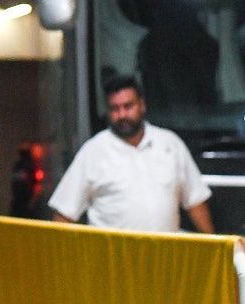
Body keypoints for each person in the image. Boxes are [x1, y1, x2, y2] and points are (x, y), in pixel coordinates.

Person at [49, 75, 214, 233]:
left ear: (142, 105)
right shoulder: (93, 152)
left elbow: (195, 202)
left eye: (128, 106)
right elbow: (64, 214)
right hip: (112, 253)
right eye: (114, 109)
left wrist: (216, 248)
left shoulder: (170, 144)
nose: (122, 115)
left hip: (165, 252)